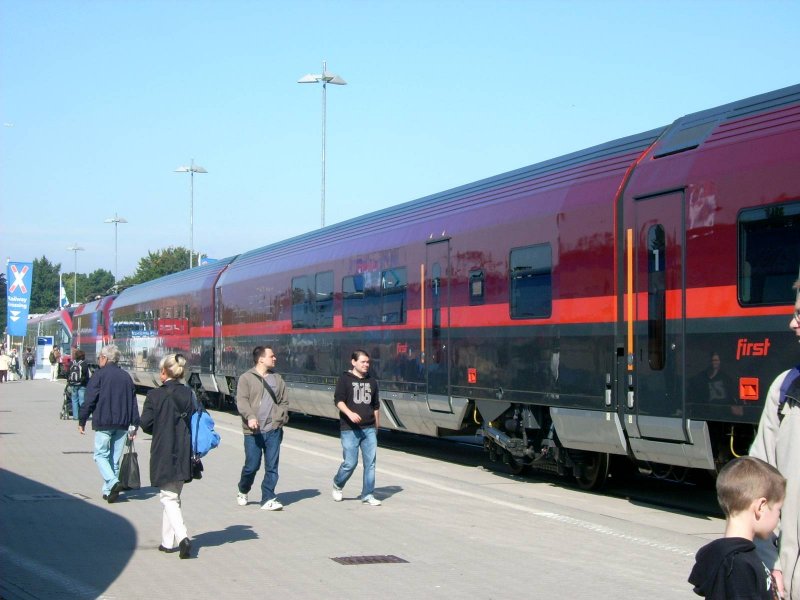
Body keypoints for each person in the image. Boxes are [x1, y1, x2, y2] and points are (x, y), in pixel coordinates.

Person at [749, 279, 800, 600]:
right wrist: (772, 566)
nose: (792, 323)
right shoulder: (785, 391)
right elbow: (757, 493)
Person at [689, 456, 785, 599]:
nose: (779, 517)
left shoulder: (731, 556)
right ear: (761, 507)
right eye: (778, 510)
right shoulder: (738, 565)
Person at [140, 353, 194, 559]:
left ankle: (182, 538)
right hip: (184, 449)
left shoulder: (154, 396)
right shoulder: (189, 394)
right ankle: (166, 541)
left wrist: (159, 428)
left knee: (168, 497)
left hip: (163, 449)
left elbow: (145, 423)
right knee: (173, 496)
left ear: (164, 372)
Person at [78, 344, 140, 503]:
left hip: (104, 422)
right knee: (114, 459)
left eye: (99, 357)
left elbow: (89, 399)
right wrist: (134, 424)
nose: (99, 360)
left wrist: (82, 419)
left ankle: (113, 482)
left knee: (100, 455)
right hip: (122, 424)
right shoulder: (126, 377)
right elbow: (133, 402)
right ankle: (109, 491)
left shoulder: (99, 375)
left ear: (105, 358)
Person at [235, 346, 290, 511]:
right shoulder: (246, 378)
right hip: (253, 432)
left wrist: (279, 418)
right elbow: (242, 401)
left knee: (272, 467)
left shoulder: (277, 379)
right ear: (261, 359)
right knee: (252, 465)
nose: (275, 359)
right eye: (271, 356)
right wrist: (250, 417)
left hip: (273, 429)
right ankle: (243, 489)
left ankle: (268, 498)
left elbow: (284, 402)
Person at [331, 349, 382, 506]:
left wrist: (377, 424)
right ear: (353, 362)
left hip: (369, 428)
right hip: (349, 429)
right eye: (363, 362)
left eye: (368, 362)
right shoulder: (345, 380)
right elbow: (338, 400)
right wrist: (349, 413)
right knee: (350, 463)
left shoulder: (372, 382)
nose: (366, 365)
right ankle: (338, 484)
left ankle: (367, 494)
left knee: (370, 463)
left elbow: (375, 405)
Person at [68, 350, 89, 420]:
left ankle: (75, 416)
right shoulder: (84, 364)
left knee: (74, 400)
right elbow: (86, 375)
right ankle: (83, 416)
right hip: (82, 385)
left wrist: (69, 382)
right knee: (82, 400)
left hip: (73, 384)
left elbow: (67, 373)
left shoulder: (71, 363)